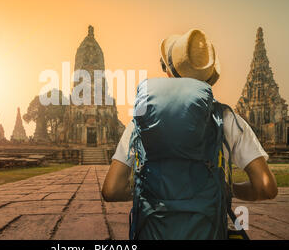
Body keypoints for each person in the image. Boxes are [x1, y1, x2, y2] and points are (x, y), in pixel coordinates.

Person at [101, 29, 278, 239]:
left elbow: (111, 190)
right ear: (209, 78)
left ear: (168, 72)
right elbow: (266, 187)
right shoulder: (227, 120)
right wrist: (229, 188)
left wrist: (143, 191)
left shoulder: (142, 121)